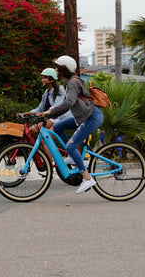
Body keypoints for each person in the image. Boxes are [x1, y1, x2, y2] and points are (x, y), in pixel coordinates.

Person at [38, 55, 103, 194]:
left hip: (91, 118)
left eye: (57, 67)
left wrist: (50, 112)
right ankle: (72, 156)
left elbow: (68, 103)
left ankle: (86, 178)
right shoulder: (71, 82)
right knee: (57, 126)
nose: (55, 70)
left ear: (63, 69)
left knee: (71, 145)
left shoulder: (72, 82)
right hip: (83, 116)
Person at [16, 68, 72, 164]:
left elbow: (57, 107)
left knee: (46, 139)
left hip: (61, 118)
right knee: (31, 131)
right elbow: (39, 108)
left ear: (52, 79)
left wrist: (44, 114)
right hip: (51, 118)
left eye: (45, 77)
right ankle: (46, 155)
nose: (42, 80)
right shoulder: (46, 93)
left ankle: (50, 164)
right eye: (42, 77)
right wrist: (26, 113)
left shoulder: (60, 90)